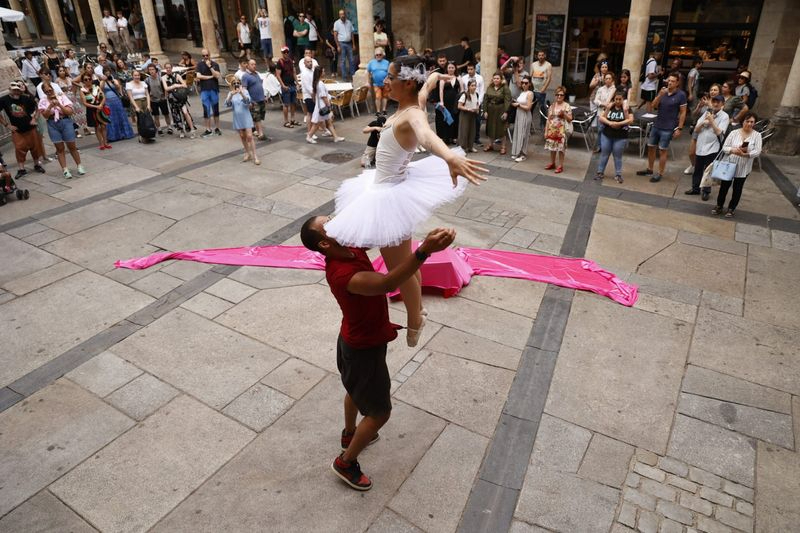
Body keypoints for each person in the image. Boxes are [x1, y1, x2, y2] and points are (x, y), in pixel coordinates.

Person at [323, 56, 488, 347]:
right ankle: (416, 312)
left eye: (390, 77)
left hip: (388, 196)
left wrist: (449, 156)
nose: (384, 82)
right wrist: (437, 78)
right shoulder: (412, 103)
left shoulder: (414, 115)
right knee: (401, 261)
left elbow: (426, 135)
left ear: (407, 82)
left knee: (400, 267)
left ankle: (416, 316)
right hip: (387, 188)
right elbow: (425, 90)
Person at [300, 216, 456, 491]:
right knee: (380, 412)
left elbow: (377, 237)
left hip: (353, 340)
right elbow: (388, 283)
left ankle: (350, 434)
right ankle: (346, 462)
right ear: (325, 243)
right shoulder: (344, 274)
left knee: (354, 388)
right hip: (362, 349)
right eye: (330, 223)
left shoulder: (348, 247)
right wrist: (423, 252)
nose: (338, 220)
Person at [636, 72, 687, 183]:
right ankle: (649, 169)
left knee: (663, 150)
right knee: (650, 146)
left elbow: (683, 112)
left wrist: (680, 128)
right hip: (657, 124)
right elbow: (654, 106)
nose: (670, 83)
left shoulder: (681, 95)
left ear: (677, 83)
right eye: (669, 80)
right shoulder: (663, 92)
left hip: (668, 127)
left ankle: (660, 172)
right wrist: (660, 95)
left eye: (672, 81)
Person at [712, 112, 762, 218]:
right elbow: (724, 147)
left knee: (738, 188)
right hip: (729, 165)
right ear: (742, 121)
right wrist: (733, 150)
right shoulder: (734, 133)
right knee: (724, 187)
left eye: (752, 122)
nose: (749, 124)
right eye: (747, 121)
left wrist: (746, 154)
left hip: (744, 167)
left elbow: (757, 151)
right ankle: (719, 205)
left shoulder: (757, 135)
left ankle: (731, 208)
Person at [686, 94, 729, 200]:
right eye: (714, 101)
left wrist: (711, 121)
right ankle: (695, 188)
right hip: (701, 145)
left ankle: (706, 191)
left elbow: (719, 132)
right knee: (698, 168)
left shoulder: (724, 116)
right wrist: (704, 122)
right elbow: (696, 129)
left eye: (718, 102)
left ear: (722, 104)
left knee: (708, 170)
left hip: (713, 146)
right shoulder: (706, 112)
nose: (715, 104)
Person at [0, 81, 46, 178]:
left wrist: (34, 118)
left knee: (35, 147)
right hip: (17, 130)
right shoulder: (4, 100)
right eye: (14, 90)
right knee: (19, 149)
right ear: (10, 90)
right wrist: (7, 125)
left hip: (30, 127)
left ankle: (37, 164)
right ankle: (21, 169)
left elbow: (38, 107)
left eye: (18, 90)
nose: (16, 92)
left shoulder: (26, 98)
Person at [38, 82, 84, 179]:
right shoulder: (43, 101)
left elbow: (69, 111)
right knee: (59, 148)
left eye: (50, 90)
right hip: (52, 123)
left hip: (65, 121)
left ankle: (79, 165)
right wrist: (50, 106)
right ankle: (65, 169)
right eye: (46, 91)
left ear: (52, 88)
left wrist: (59, 104)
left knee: (72, 146)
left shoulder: (61, 96)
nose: (49, 92)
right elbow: (45, 115)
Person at [596, 91, 633, 183]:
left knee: (617, 155)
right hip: (607, 134)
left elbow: (630, 120)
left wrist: (620, 119)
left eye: (620, 99)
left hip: (620, 136)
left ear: (623, 99)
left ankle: (618, 174)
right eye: (616, 99)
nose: (617, 101)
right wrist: (610, 122)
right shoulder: (610, 107)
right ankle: (600, 172)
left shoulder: (627, 108)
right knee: (604, 154)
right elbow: (601, 118)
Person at [684, 83, 721, 175]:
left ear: (719, 92)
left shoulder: (719, 103)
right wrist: (699, 107)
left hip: (710, 131)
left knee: (705, 153)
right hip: (699, 128)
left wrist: (709, 105)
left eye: (715, 90)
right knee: (691, 152)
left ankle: (702, 170)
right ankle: (693, 165)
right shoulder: (705, 100)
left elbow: (718, 113)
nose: (712, 92)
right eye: (711, 90)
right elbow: (693, 114)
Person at [307, 66, 345, 143]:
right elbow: (323, 96)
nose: (324, 73)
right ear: (320, 73)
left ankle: (336, 137)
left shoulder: (317, 82)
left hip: (320, 106)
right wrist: (329, 106)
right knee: (317, 124)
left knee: (328, 123)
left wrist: (332, 97)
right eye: (323, 71)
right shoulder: (320, 83)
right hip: (322, 106)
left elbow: (319, 95)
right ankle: (309, 136)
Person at [225, 79, 259, 165]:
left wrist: (241, 93)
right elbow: (227, 104)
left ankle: (255, 156)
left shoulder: (245, 91)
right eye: (234, 83)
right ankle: (248, 153)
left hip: (246, 116)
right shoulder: (231, 93)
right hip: (237, 117)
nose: (236, 85)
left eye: (238, 83)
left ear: (240, 84)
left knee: (250, 136)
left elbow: (248, 101)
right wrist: (231, 96)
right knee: (242, 136)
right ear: (232, 85)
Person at [101, 67, 135, 142]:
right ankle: (114, 136)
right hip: (108, 101)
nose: (107, 73)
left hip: (116, 100)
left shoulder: (114, 80)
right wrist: (104, 80)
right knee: (111, 117)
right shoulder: (102, 81)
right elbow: (101, 89)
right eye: (106, 72)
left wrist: (113, 81)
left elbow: (118, 88)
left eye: (108, 71)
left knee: (121, 116)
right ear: (104, 73)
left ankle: (124, 133)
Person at [544, 86, 572, 173]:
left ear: (564, 96)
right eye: (557, 95)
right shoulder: (552, 106)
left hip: (561, 131)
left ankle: (560, 165)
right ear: (555, 95)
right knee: (552, 148)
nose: (559, 96)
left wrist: (564, 114)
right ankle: (552, 163)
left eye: (561, 95)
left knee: (561, 149)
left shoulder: (566, 106)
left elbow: (570, 118)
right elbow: (548, 119)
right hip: (552, 130)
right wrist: (546, 131)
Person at [163, 63, 195, 139]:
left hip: (180, 97)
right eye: (166, 68)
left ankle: (192, 130)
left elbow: (184, 85)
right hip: (172, 98)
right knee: (176, 115)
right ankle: (181, 131)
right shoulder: (163, 78)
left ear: (172, 68)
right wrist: (173, 86)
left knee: (185, 113)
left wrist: (176, 85)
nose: (168, 69)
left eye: (169, 67)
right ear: (165, 69)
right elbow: (166, 88)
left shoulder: (177, 75)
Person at [482, 72, 511, 154]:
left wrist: (506, 112)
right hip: (490, 110)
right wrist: (485, 111)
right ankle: (491, 145)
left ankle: (503, 146)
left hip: (500, 109)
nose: (496, 80)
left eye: (498, 78)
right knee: (490, 128)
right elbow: (485, 100)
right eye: (494, 78)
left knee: (501, 129)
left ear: (501, 79)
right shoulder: (490, 87)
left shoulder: (505, 88)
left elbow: (508, 100)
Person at [196, 49, 222, 137]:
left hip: (214, 89)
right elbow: (198, 76)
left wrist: (210, 67)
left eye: (207, 55)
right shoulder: (199, 65)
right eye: (203, 56)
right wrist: (211, 76)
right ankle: (208, 129)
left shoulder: (215, 64)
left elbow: (217, 75)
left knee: (216, 109)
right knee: (206, 110)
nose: (205, 57)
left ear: (209, 55)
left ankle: (217, 128)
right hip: (204, 90)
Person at [79, 73, 109, 149]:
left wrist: (101, 104)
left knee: (103, 125)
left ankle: (106, 142)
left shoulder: (96, 87)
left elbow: (103, 96)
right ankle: (101, 143)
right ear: (83, 81)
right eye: (85, 79)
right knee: (97, 127)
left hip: (100, 107)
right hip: (92, 109)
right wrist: (96, 106)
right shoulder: (82, 90)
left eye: (89, 79)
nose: (88, 81)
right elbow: (85, 103)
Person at [242, 59, 268, 140]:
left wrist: (264, 96)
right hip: (254, 101)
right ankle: (261, 134)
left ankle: (252, 129)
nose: (254, 66)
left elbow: (260, 85)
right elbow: (244, 89)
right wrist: (248, 101)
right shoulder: (245, 76)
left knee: (260, 116)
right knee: (257, 118)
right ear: (248, 66)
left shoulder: (256, 74)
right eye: (252, 64)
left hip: (261, 99)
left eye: (255, 64)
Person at [435, 62, 460, 144]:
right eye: (449, 67)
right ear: (447, 69)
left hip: (455, 101)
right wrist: (441, 101)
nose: (451, 69)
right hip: (446, 101)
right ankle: (446, 137)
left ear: (455, 68)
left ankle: (453, 137)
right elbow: (441, 91)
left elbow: (462, 90)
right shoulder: (443, 78)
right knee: (446, 118)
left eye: (452, 67)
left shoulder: (458, 78)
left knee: (455, 118)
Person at [460, 63, 484, 147]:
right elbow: (462, 90)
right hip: (467, 101)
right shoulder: (464, 78)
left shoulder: (480, 78)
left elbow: (481, 91)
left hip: (476, 101)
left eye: (471, 69)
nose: (469, 71)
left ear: (474, 69)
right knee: (466, 121)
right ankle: (465, 140)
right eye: (468, 69)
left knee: (476, 121)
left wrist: (478, 103)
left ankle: (476, 138)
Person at [510, 76, 533, 162]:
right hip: (519, 114)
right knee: (518, 133)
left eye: (526, 83)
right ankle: (517, 152)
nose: (524, 84)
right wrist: (515, 102)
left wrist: (518, 105)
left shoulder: (530, 93)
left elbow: (528, 107)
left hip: (525, 115)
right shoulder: (522, 92)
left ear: (529, 84)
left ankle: (523, 154)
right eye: (522, 83)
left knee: (524, 134)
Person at [145, 65, 172, 135]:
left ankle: (169, 127)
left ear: (156, 70)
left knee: (166, 114)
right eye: (150, 70)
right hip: (153, 100)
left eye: (152, 69)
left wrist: (165, 97)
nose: (151, 71)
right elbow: (147, 91)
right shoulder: (147, 80)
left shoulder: (160, 78)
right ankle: (159, 128)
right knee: (156, 115)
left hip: (162, 99)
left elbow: (165, 88)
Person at [276, 46, 299, 128]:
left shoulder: (290, 61)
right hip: (286, 85)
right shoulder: (280, 62)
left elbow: (294, 72)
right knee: (286, 104)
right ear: (282, 53)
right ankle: (286, 121)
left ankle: (292, 119)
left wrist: (297, 83)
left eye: (287, 52)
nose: (286, 53)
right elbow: (278, 75)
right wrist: (283, 85)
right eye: (284, 52)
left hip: (292, 84)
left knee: (293, 103)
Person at [126, 69, 150, 139]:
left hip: (145, 101)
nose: (137, 77)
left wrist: (149, 105)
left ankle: (148, 133)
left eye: (138, 75)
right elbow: (130, 97)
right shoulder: (129, 84)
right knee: (139, 120)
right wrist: (136, 107)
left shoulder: (143, 83)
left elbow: (147, 94)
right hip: (136, 102)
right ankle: (141, 135)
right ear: (132, 76)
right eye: (135, 75)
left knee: (147, 118)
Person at [457, 79, 480, 153]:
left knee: (472, 130)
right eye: (472, 85)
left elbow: (476, 103)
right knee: (464, 131)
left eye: (475, 85)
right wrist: (467, 109)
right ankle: (462, 147)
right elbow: (459, 106)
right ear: (469, 86)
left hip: (472, 114)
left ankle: (470, 146)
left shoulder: (476, 94)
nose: (474, 87)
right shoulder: (465, 95)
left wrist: (477, 109)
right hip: (465, 114)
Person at [530, 50, 552, 127]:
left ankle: (543, 125)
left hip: (541, 91)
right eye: (539, 55)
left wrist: (544, 88)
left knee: (542, 108)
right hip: (533, 90)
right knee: (531, 108)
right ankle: (530, 125)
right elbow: (531, 76)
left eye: (542, 55)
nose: (541, 57)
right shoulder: (533, 64)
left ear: (545, 56)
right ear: (537, 56)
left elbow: (549, 78)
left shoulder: (548, 65)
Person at [333, 10, 356, 80]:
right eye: (340, 14)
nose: (342, 15)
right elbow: (335, 35)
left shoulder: (349, 22)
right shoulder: (337, 23)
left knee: (351, 60)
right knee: (343, 61)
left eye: (343, 14)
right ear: (339, 15)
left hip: (349, 43)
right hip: (341, 43)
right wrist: (338, 46)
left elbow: (352, 34)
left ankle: (353, 75)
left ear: (345, 14)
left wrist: (354, 44)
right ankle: (344, 76)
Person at [367, 47, 390, 115]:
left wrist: (387, 78)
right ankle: (378, 111)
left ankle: (384, 110)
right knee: (378, 97)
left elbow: (389, 72)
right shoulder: (371, 62)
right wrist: (367, 81)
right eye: (377, 55)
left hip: (385, 83)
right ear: (375, 55)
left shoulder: (387, 62)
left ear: (382, 55)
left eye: (380, 54)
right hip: (376, 84)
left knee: (385, 96)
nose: (378, 56)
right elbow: (368, 72)